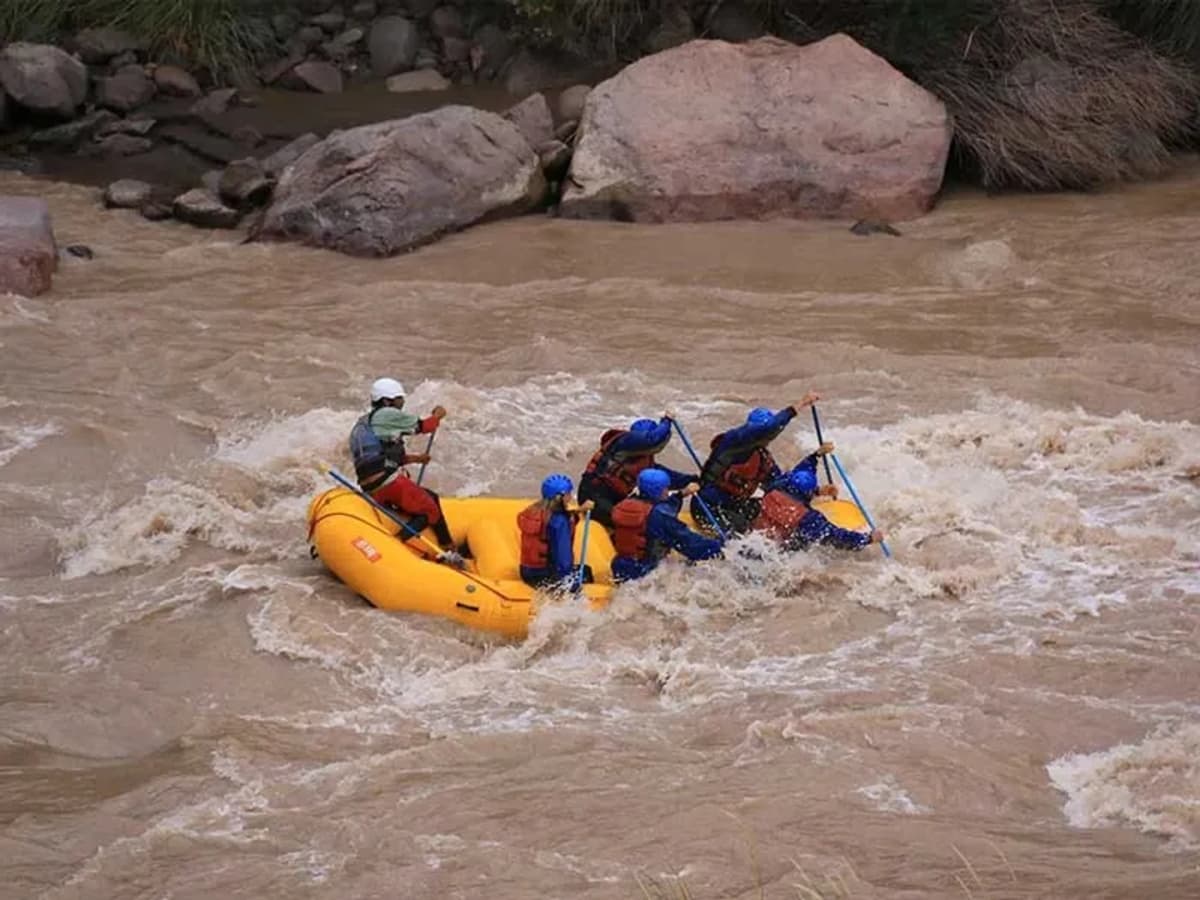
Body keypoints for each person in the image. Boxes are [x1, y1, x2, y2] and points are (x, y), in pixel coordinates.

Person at [348, 376, 455, 551]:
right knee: (430, 510)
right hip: (388, 483)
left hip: (371, 486)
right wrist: (438, 415)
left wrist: (416, 458)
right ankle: (396, 544)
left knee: (431, 497)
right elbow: (425, 426)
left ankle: (448, 546)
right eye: (399, 399)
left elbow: (383, 457)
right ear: (386, 400)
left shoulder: (366, 422)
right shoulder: (387, 414)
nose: (402, 403)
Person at [692, 392, 820, 535]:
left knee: (770, 508)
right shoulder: (731, 443)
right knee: (742, 529)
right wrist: (800, 404)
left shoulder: (763, 458)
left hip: (736, 505)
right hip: (708, 506)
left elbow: (778, 486)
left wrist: (816, 490)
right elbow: (770, 428)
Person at [578, 414, 696, 526]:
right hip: (593, 496)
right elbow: (654, 439)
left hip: (614, 498)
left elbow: (663, 477)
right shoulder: (623, 444)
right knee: (634, 522)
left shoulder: (643, 458)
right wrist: (667, 420)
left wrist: (692, 480)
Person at [611, 468, 725, 583]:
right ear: (657, 491)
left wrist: (680, 495)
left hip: (620, 567)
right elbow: (689, 542)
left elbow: (659, 509)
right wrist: (719, 548)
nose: (667, 491)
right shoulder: (658, 518)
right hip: (644, 572)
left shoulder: (624, 505)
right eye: (665, 488)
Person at [752, 460, 884, 552]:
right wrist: (868, 539)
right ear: (808, 493)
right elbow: (836, 537)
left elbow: (792, 480)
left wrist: (816, 455)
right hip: (779, 555)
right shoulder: (807, 518)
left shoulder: (772, 491)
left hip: (754, 542)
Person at [518, 474, 594, 589]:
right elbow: (563, 560)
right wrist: (569, 584)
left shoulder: (533, 511)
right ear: (559, 497)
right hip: (545, 575)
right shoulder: (559, 522)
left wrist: (579, 511)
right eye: (568, 494)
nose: (570, 497)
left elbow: (562, 517)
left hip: (526, 572)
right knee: (586, 572)